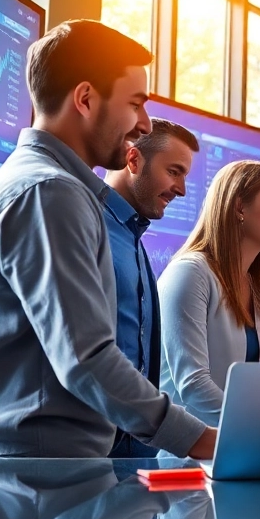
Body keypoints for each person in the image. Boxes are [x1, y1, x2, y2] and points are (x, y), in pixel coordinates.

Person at [0, 19, 215, 459]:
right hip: (32, 485)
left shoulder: (47, 185)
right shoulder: (50, 192)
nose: (143, 124)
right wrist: (203, 440)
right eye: (135, 104)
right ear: (85, 99)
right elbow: (86, 356)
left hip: (38, 479)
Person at [160, 160, 260, 427]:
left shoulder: (259, 287)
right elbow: (193, 385)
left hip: (239, 446)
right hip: (188, 454)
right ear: (239, 206)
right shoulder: (191, 272)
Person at [100, 117, 201, 458]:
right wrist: (196, 438)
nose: (182, 189)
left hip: (133, 459)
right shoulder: (90, 230)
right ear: (133, 160)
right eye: (174, 171)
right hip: (85, 460)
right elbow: (89, 356)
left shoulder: (134, 242)